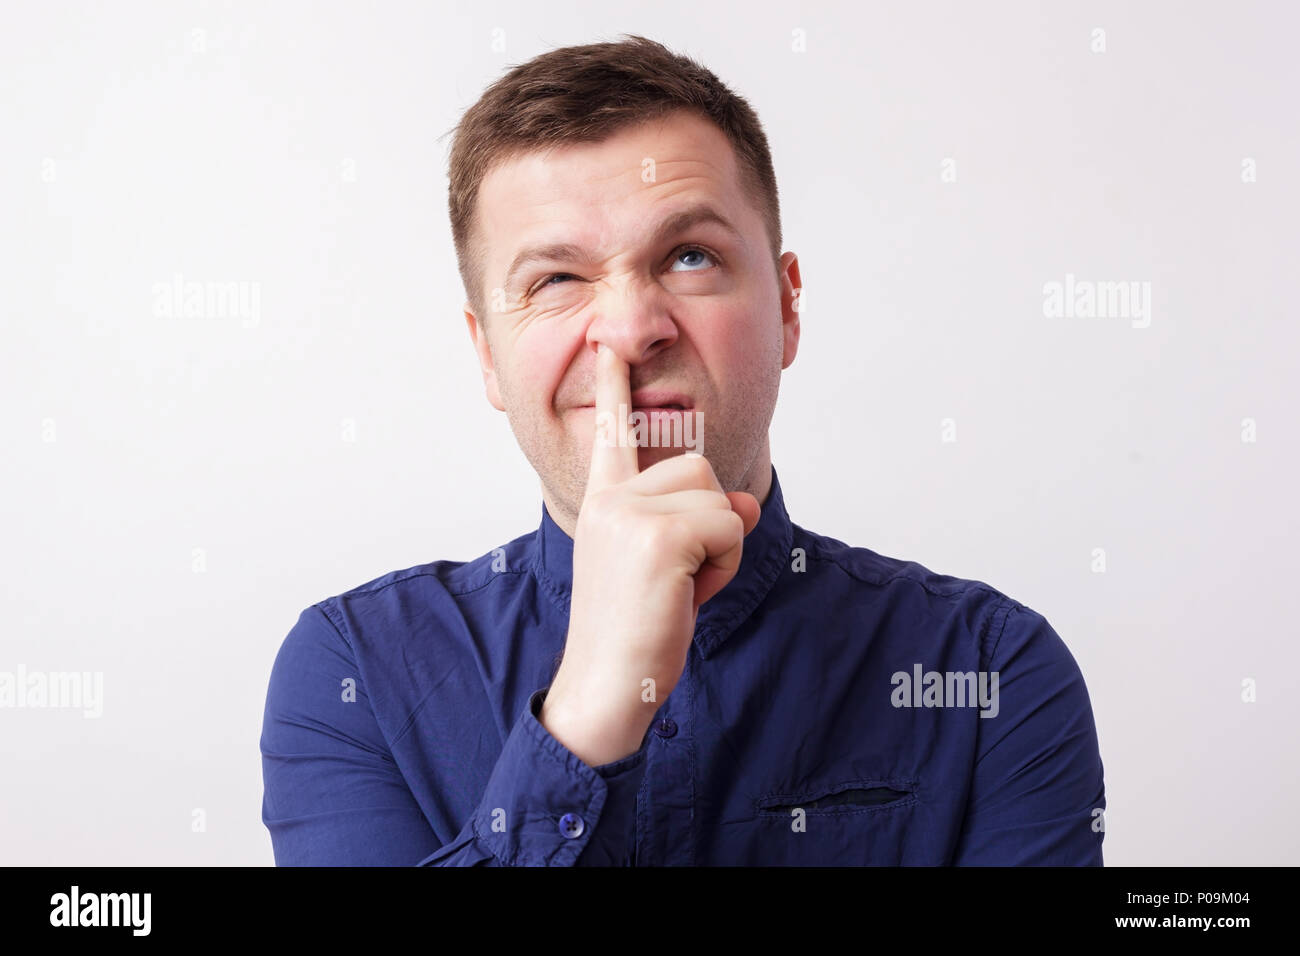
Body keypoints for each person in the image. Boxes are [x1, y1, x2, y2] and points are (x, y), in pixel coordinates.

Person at [259, 34, 1106, 866]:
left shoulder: (994, 673)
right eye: (556, 279)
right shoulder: (355, 675)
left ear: (787, 308)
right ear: (487, 354)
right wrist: (588, 707)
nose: (629, 332)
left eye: (690, 257)